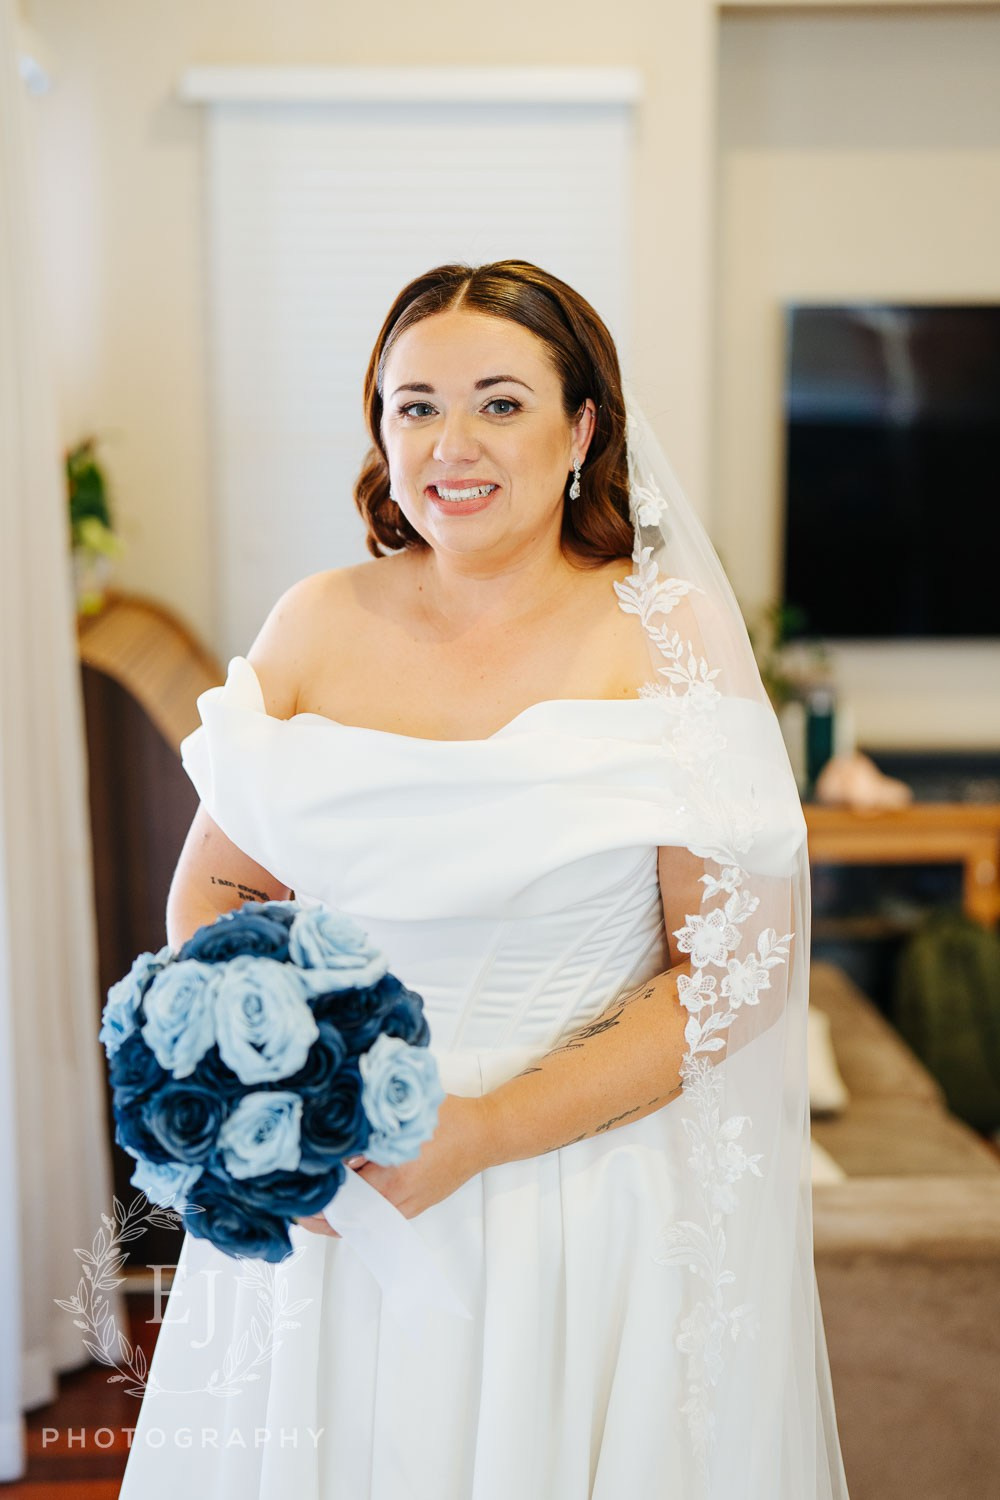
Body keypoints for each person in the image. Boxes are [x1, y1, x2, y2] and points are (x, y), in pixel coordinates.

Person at [117, 260, 848, 1498]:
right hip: (333, 1198)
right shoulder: (314, 621)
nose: (450, 443)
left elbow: (729, 979)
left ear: (582, 428)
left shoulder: (666, 639)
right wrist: (274, 1096)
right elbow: (220, 893)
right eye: (414, 406)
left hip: (571, 1201)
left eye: (500, 403)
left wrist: (484, 1132)